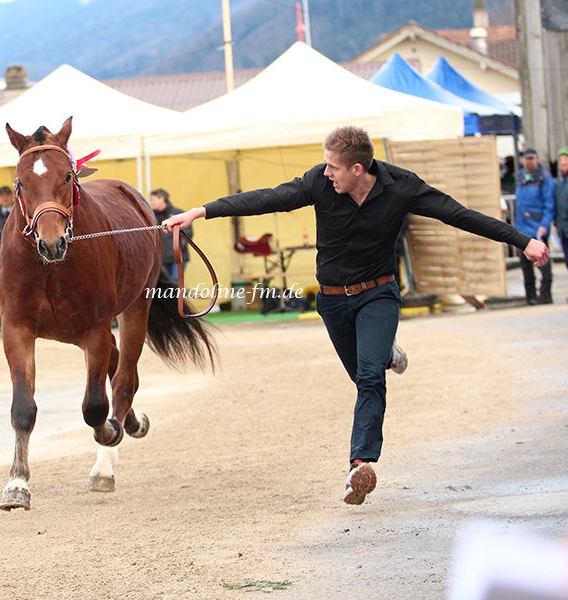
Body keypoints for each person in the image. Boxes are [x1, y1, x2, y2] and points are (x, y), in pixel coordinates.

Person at [163, 126, 549, 506]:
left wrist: (523, 241)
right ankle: (384, 353)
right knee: (366, 371)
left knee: (369, 378)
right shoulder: (318, 182)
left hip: (378, 294)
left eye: (333, 166)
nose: (326, 171)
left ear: (358, 169)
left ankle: (359, 464)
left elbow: (459, 215)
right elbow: (269, 198)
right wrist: (201, 211)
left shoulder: (402, 186)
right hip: (333, 302)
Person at [515, 148, 555, 305]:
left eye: (531, 158)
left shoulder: (544, 178)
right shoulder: (521, 176)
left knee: (543, 263)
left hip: (538, 228)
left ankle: (545, 294)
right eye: (526, 159)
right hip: (522, 228)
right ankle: (530, 295)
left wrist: (544, 225)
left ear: (537, 159)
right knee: (525, 265)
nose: (529, 161)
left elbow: (549, 204)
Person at [150, 188, 192, 280]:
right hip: (161, 258)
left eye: (153, 199)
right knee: (165, 285)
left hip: (177, 257)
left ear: (162, 199)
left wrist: (178, 248)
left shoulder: (178, 214)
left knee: (175, 283)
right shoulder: (151, 216)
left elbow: (188, 233)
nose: (151, 202)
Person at [555, 146, 568, 288]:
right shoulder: (558, 183)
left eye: (566, 159)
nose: (563, 163)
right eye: (561, 160)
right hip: (563, 228)